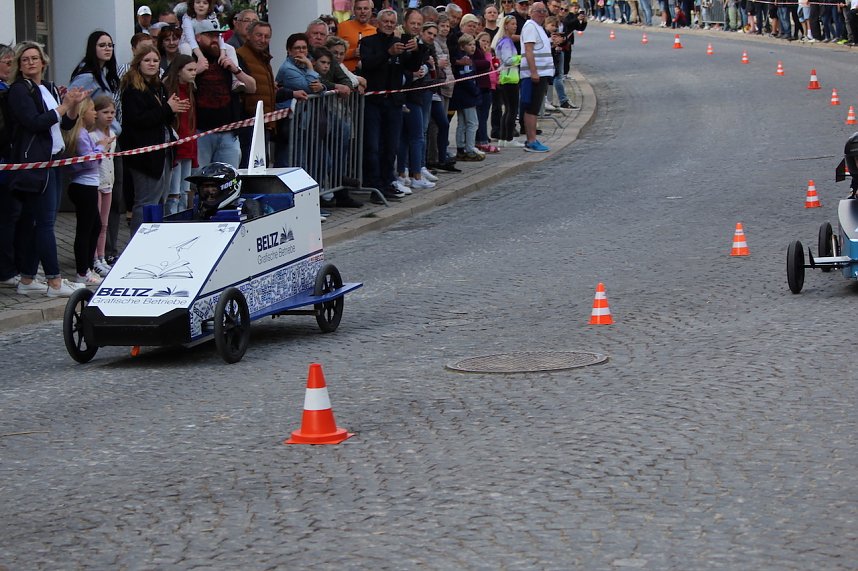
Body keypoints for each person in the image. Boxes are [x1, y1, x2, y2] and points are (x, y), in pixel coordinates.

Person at [2, 41, 88, 297]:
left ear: (43, 61)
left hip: (54, 160)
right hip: (36, 163)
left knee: (33, 222)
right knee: (45, 223)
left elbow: (66, 123)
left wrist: (72, 104)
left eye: (34, 58)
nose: (30, 62)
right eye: (25, 59)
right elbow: (34, 122)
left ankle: (27, 279)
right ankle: (54, 280)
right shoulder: (18, 90)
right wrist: (62, 108)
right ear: (19, 64)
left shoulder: (47, 87)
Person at [120, 45, 189, 235]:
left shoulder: (159, 86)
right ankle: (138, 242)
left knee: (161, 201)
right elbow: (138, 120)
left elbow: (162, 117)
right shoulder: (132, 89)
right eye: (147, 60)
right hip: (144, 155)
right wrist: (167, 109)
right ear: (138, 63)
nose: (152, 64)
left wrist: (172, 110)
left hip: (163, 151)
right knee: (145, 202)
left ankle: (154, 240)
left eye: (155, 60)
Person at [359, 8, 423, 203]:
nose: (388, 24)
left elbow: (412, 67)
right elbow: (368, 64)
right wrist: (388, 53)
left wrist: (416, 51)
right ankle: (374, 186)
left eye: (391, 21)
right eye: (385, 21)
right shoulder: (368, 41)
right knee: (372, 146)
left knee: (391, 146)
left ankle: (389, 182)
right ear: (378, 23)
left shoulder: (402, 41)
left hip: (394, 102)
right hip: (374, 103)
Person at [193, 20, 256, 171]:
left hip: (229, 131)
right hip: (200, 132)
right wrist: (195, 71)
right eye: (210, 36)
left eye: (217, 35)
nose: (215, 40)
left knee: (229, 179)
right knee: (199, 181)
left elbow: (252, 87)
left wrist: (235, 70)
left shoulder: (229, 55)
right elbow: (173, 85)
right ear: (198, 37)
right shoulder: (190, 57)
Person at [63, 97, 109, 285]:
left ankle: (88, 267)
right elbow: (87, 162)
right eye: (92, 110)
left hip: (89, 184)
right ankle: (82, 271)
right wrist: (101, 147)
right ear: (83, 114)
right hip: (83, 186)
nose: (95, 113)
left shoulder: (83, 134)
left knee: (95, 226)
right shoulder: (80, 135)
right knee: (86, 229)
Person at [396, 9, 437, 191]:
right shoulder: (400, 42)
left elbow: (428, 62)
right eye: (412, 23)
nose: (415, 26)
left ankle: (409, 172)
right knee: (413, 136)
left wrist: (425, 70)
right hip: (405, 93)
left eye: (418, 23)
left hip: (416, 93)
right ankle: (411, 174)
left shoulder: (422, 44)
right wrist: (411, 74)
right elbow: (399, 68)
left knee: (412, 135)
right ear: (405, 23)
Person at [179, 0, 245, 92]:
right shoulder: (187, 18)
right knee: (185, 47)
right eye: (198, 2)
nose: (201, 6)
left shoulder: (212, 16)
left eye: (205, 3)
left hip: (207, 42)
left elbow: (219, 35)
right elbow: (191, 39)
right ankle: (191, 79)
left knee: (230, 48)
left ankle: (235, 80)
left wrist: (222, 54)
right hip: (189, 43)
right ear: (192, 4)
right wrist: (201, 57)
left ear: (209, 6)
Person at [236, 20, 276, 168]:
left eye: (267, 36)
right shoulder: (241, 55)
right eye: (259, 35)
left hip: (262, 121)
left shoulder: (263, 58)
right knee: (249, 165)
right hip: (248, 121)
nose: (263, 40)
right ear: (249, 35)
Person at [163, 55, 198, 215]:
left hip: (188, 144)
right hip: (176, 146)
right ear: (178, 71)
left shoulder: (191, 89)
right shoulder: (170, 90)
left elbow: (191, 120)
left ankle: (184, 218)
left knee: (185, 189)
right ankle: (172, 220)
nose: (193, 73)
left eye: (195, 70)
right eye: (189, 70)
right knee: (174, 191)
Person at [69, 31, 122, 133]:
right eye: (102, 45)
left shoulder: (101, 73)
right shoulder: (87, 76)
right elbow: (70, 103)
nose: (107, 48)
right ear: (92, 48)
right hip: (94, 140)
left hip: (107, 136)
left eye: (110, 45)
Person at [89, 95, 117, 277]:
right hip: (95, 182)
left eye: (112, 112)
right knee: (95, 223)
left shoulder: (112, 134)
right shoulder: (92, 135)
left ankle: (101, 256)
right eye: (105, 112)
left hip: (108, 181)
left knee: (104, 224)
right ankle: (93, 260)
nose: (109, 116)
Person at [520, 2, 554, 153]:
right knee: (532, 108)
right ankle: (531, 140)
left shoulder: (539, 28)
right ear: (531, 12)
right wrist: (534, 72)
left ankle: (532, 139)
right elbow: (528, 50)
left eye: (544, 11)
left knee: (534, 107)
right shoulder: (530, 27)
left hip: (542, 74)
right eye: (538, 11)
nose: (542, 13)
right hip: (534, 75)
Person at [186, 162, 261, 220]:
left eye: (213, 187)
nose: (209, 192)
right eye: (205, 188)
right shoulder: (200, 210)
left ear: (230, 187)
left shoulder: (247, 206)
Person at [450, 33, 483, 162]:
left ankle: (461, 147)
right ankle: (469, 149)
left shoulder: (465, 58)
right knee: (472, 123)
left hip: (461, 96)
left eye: (474, 44)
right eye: (469, 45)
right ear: (462, 47)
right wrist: (475, 91)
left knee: (462, 123)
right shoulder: (465, 60)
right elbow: (467, 79)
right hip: (467, 96)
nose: (473, 47)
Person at [491, 14, 523, 148]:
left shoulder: (504, 41)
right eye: (512, 24)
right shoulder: (506, 42)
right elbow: (508, 59)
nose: (515, 27)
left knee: (508, 109)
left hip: (506, 77)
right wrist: (521, 57)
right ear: (505, 26)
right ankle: (509, 138)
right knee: (512, 109)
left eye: (516, 24)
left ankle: (503, 138)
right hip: (509, 78)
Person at [338, 0, 377, 73]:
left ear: (371, 11)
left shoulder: (375, 31)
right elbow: (332, 53)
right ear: (354, 11)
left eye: (366, 8)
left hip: (369, 74)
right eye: (359, 8)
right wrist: (352, 53)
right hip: (346, 73)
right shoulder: (342, 27)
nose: (362, 11)